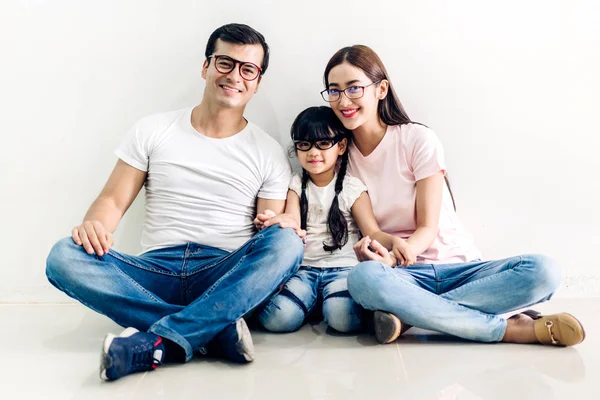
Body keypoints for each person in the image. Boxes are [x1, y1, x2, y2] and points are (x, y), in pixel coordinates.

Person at [45, 23, 303, 381]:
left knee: (287, 243)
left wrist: (281, 224)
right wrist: (95, 226)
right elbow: (112, 201)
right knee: (63, 256)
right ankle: (210, 331)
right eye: (225, 63)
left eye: (248, 70)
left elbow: (267, 228)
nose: (235, 76)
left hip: (223, 271)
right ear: (206, 66)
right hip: (153, 271)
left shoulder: (268, 152)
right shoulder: (153, 130)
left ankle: (159, 340)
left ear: (257, 81)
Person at [321, 44, 585, 347]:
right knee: (362, 279)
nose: (343, 101)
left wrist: (400, 254)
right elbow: (374, 233)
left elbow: (428, 228)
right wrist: (381, 254)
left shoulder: (417, 139)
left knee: (544, 271)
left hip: (460, 268)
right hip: (404, 277)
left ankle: (408, 318)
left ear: (381, 90)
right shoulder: (341, 159)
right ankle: (508, 329)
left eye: (354, 88)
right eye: (334, 91)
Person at [255, 106, 398, 334]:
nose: (313, 152)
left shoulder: (352, 188)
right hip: (304, 270)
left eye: (323, 144)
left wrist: (395, 242)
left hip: (343, 269)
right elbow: (292, 220)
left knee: (343, 320)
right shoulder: (295, 184)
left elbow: (372, 232)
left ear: (341, 146)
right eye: (304, 144)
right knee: (277, 320)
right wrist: (275, 219)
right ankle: (312, 303)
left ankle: (330, 304)